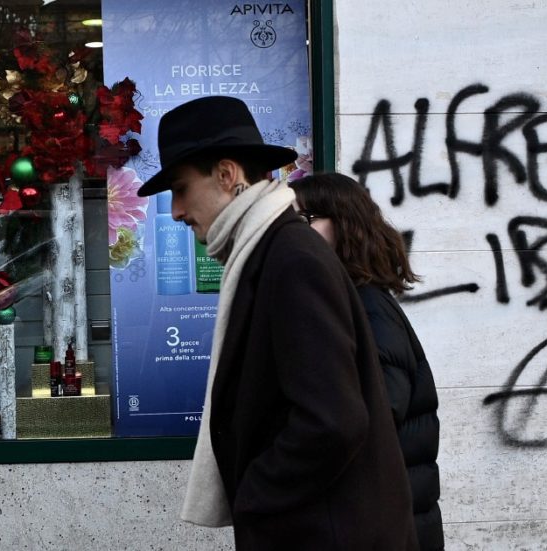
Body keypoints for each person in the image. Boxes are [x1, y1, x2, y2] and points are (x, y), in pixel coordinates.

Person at [137, 96, 418, 550]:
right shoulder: (270, 251)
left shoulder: (289, 258)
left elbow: (333, 421)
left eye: (181, 188)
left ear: (227, 175)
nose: (175, 211)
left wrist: (256, 497)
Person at [291, 172, 444, 551]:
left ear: (345, 226)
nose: (292, 234)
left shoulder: (367, 310)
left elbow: (370, 420)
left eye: (304, 220)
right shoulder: (353, 304)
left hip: (378, 528)